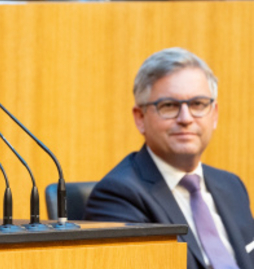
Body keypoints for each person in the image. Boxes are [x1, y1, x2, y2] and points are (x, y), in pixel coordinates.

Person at [84, 48, 254, 269]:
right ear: (140, 118)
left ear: (214, 114)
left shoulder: (231, 186)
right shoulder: (117, 196)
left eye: (198, 104)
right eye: (169, 106)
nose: (185, 118)